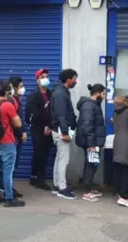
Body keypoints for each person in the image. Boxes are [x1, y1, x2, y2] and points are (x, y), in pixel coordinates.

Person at [0, 80, 25, 208]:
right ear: (6, 91)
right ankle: (9, 198)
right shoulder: (7, 105)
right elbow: (18, 124)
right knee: (7, 171)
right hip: (7, 141)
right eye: (10, 88)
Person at [75, 84, 106, 202]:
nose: (103, 97)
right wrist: (92, 144)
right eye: (103, 94)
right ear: (97, 93)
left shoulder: (94, 105)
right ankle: (87, 191)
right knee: (90, 164)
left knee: (93, 164)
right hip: (91, 142)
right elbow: (87, 125)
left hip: (93, 141)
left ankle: (90, 188)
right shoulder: (89, 105)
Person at [50, 69, 78, 199]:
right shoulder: (61, 93)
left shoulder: (61, 92)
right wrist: (65, 132)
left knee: (59, 158)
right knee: (64, 160)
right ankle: (62, 188)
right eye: (74, 79)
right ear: (68, 79)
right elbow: (61, 114)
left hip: (59, 129)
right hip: (62, 131)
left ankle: (57, 184)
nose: (75, 81)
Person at [26, 68, 53, 191]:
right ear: (37, 80)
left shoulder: (50, 94)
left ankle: (39, 177)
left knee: (45, 153)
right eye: (42, 77)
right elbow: (31, 114)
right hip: (37, 128)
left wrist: (50, 125)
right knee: (38, 152)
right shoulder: (34, 95)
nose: (45, 79)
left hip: (49, 128)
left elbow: (53, 111)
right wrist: (43, 125)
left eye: (46, 76)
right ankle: (36, 177)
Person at [7, 76, 27, 197]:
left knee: (14, 165)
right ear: (14, 88)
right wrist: (21, 133)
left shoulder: (17, 100)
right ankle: (7, 190)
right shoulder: (12, 101)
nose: (23, 89)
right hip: (13, 137)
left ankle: (9, 187)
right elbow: (14, 121)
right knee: (10, 166)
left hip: (17, 137)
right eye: (20, 86)